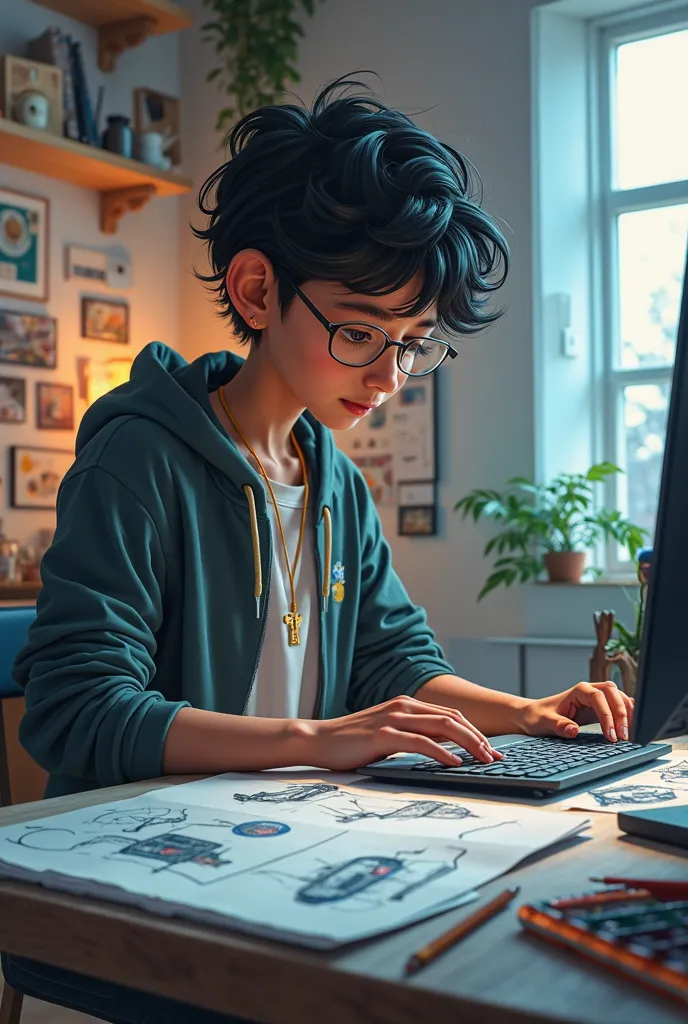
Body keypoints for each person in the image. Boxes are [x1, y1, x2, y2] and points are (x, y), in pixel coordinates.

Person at [2, 74, 632, 1024]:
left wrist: (529, 712)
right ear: (259, 290)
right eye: (359, 331)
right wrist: (319, 741)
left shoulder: (331, 477)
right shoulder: (137, 455)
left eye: (413, 343)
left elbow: (396, 662)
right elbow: (77, 710)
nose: (389, 375)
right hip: (140, 898)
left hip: (276, 862)